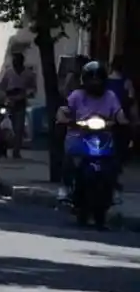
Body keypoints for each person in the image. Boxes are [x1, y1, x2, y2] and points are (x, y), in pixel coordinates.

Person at [57, 60, 129, 202]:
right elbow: (63, 110)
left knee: (114, 160)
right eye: (92, 78)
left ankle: (113, 188)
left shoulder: (110, 96)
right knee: (70, 158)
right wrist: (64, 119)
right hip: (79, 136)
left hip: (104, 138)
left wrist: (123, 122)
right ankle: (65, 187)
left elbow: (119, 113)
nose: (95, 82)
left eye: (99, 78)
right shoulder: (77, 95)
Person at [0, 51, 37, 159]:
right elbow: (2, 87)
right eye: (14, 61)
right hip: (9, 102)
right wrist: (5, 98)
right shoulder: (9, 72)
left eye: (17, 61)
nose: (15, 63)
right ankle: (4, 149)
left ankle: (16, 151)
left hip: (21, 101)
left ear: (22, 62)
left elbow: (33, 88)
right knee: (6, 128)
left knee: (19, 128)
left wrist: (25, 94)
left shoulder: (29, 74)